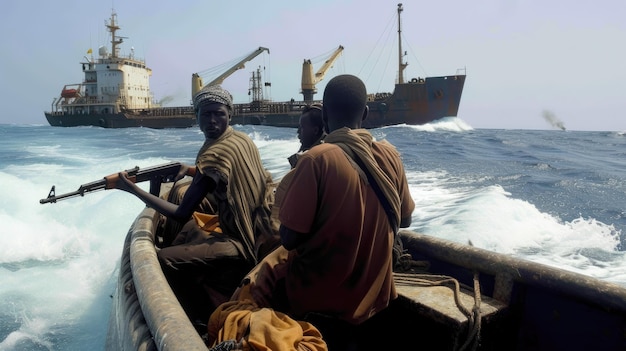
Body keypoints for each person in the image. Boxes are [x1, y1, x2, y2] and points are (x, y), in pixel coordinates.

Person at [210, 74, 415, 349]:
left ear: (325, 113)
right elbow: (405, 220)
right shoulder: (391, 155)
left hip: (319, 297)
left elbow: (290, 239)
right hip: (375, 297)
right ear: (365, 113)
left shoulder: (316, 160)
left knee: (263, 273)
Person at [114, 84, 280, 327]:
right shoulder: (240, 140)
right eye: (206, 114)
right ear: (197, 117)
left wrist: (132, 189)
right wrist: (193, 172)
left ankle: (200, 318)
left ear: (229, 115)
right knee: (191, 229)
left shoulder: (214, 155)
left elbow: (181, 214)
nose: (212, 121)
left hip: (241, 242)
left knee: (162, 260)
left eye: (219, 114)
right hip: (260, 231)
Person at [287, 103, 327, 168]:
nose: (298, 131)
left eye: (302, 127)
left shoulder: (310, 160)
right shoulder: (328, 151)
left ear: (315, 130)